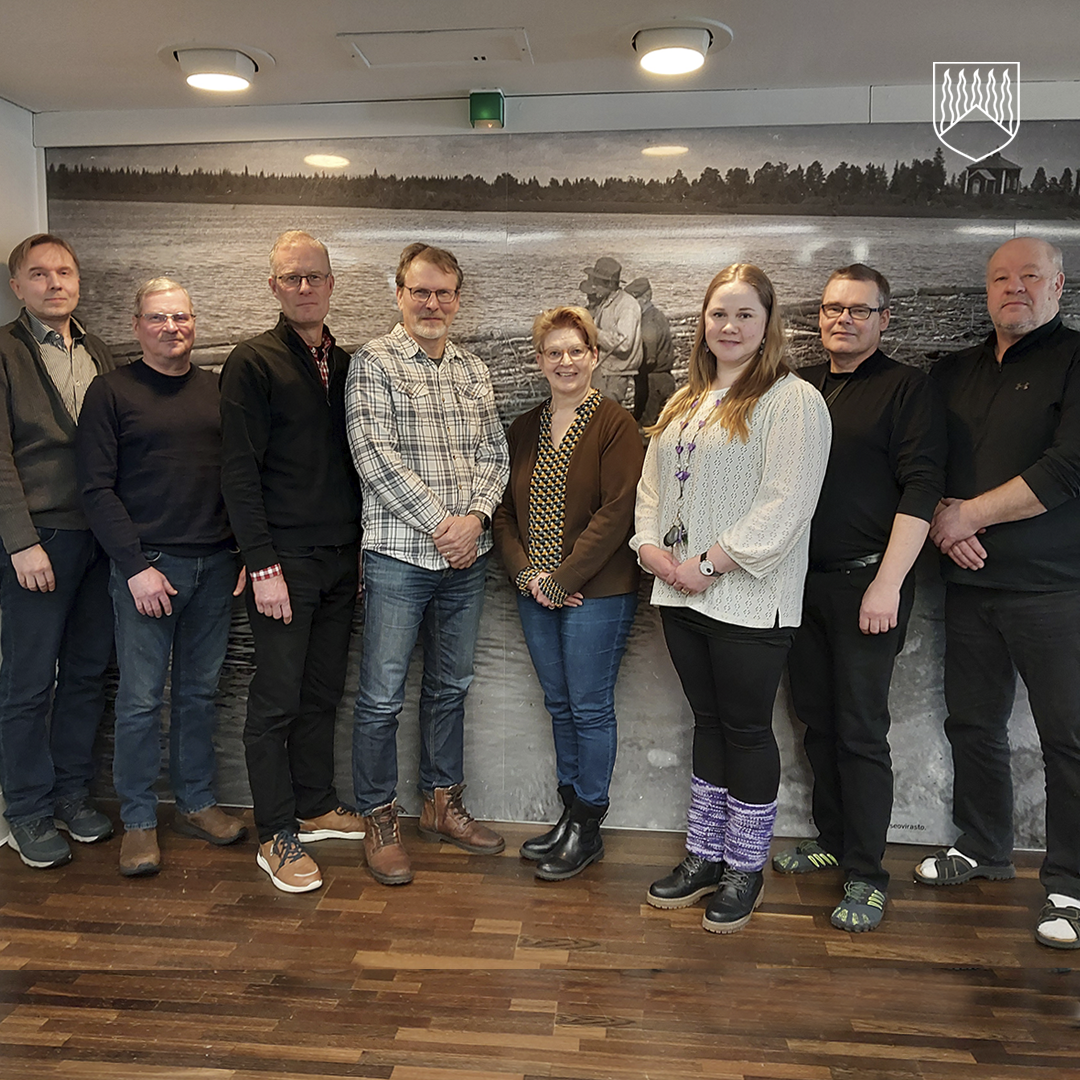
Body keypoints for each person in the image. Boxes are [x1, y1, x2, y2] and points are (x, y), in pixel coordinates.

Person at [631, 263, 830, 934]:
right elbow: (653, 486)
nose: (730, 326)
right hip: (679, 593)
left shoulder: (793, 400)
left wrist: (710, 565)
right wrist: (649, 547)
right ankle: (705, 856)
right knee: (708, 724)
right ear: (703, 323)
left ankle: (745, 866)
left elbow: (787, 504)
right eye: (719, 313)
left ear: (768, 324)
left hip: (748, 597)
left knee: (745, 730)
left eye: (746, 314)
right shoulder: (684, 401)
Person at [915, 237, 1080, 951]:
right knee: (973, 725)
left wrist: (968, 516)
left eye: (1030, 276)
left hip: (1056, 589)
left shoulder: (1076, 359)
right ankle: (983, 846)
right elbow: (924, 465)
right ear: (987, 291)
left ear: (1058, 285)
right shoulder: (952, 372)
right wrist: (945, 523)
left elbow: (1069, 468)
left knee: (1068, 741)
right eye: (1001, 278)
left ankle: (1070, 884)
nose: (1015, 288)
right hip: (968, 581)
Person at [774, 264, 946, 931]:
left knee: (861, 731)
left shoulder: (907, 389)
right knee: (816, 720)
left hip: (869, 585)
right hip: (798, 584)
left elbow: (922, 488)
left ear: (884, 318)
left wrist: (888, 584)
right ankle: (833, 839)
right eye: (832, 308)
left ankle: (868, 875)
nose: (842, 320)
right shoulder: (799, 387)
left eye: (858, 310)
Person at [347, 243, 509, 887]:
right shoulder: (374, 363)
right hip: (398, 557)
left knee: (451, 686)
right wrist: (444, 525)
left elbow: (495, 454)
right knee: (381, 696)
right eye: (420, 291)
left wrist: (476, 520)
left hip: (467, 559)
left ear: (458, 300)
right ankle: (380, 816)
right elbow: (374, 456)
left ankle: (442, 805)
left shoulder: (473, 369)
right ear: (399, 295)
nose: (432, 303)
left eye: (443, 293)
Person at [78, 278, 248, 877]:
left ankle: (196, 803)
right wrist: (136, 568)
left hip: (217, 566)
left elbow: (240, 475)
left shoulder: (218, 389)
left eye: (181, 316)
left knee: (199, 694)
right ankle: (139, 821)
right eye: (158, 317)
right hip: (148, 569)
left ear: (194, 323)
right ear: (137, 326)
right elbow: (95, 489)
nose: (171, 327)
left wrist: (243, 550)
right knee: (140, 700)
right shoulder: (111, 391)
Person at [219, 231, 363, 894]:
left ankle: (314, 803)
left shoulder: (347, 362)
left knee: (322, 692)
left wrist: (356, 554)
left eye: (315, 277)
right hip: (285, 562)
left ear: (331, 284)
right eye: (291, 278)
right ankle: (276, 833)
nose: (305, 288)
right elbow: (238, 471)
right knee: (276, 700)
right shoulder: (253, 362)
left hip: (340, 559)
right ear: (273, 286)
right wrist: (261, 563)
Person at [493, 306, 643, 880]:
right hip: (534, 592)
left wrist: (563, 580)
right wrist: (530, 578)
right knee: (559, 705)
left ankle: (588, 826)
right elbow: (504, 514)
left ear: (595, 357)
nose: (565, 361)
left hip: (597, 593)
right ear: (539, 361)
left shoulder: (614, 424)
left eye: (576, 351)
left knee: (589, 707)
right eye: (553, 352)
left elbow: (616, 514)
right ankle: (568, 815)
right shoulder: (524, 428)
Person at [0, 234, 115, 869]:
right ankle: (26, 810)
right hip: (38, 541)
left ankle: (71, 793)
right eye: (39, 274)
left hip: (100, 540)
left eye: (64, 272)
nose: (54, 283)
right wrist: (20, 542)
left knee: (86, 673)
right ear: (17, 286)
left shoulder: (97, 351)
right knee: (27, 682)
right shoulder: (4, 351)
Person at [578, 257, 642, 408]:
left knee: (605, 414)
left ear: (610, 284)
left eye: (598, 283)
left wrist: (593, 331)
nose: (594, 287)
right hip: (603, 369)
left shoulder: (627, 306)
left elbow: (624, 344)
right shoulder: (607, 302)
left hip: (614, 374)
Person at [625, 277, 676, 425]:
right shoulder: (657, 315)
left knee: (645, 425)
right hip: (662, 379)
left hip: (652, 382)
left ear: (645, 298)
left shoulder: (648, 322)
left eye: (633, 300)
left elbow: (649, 358)